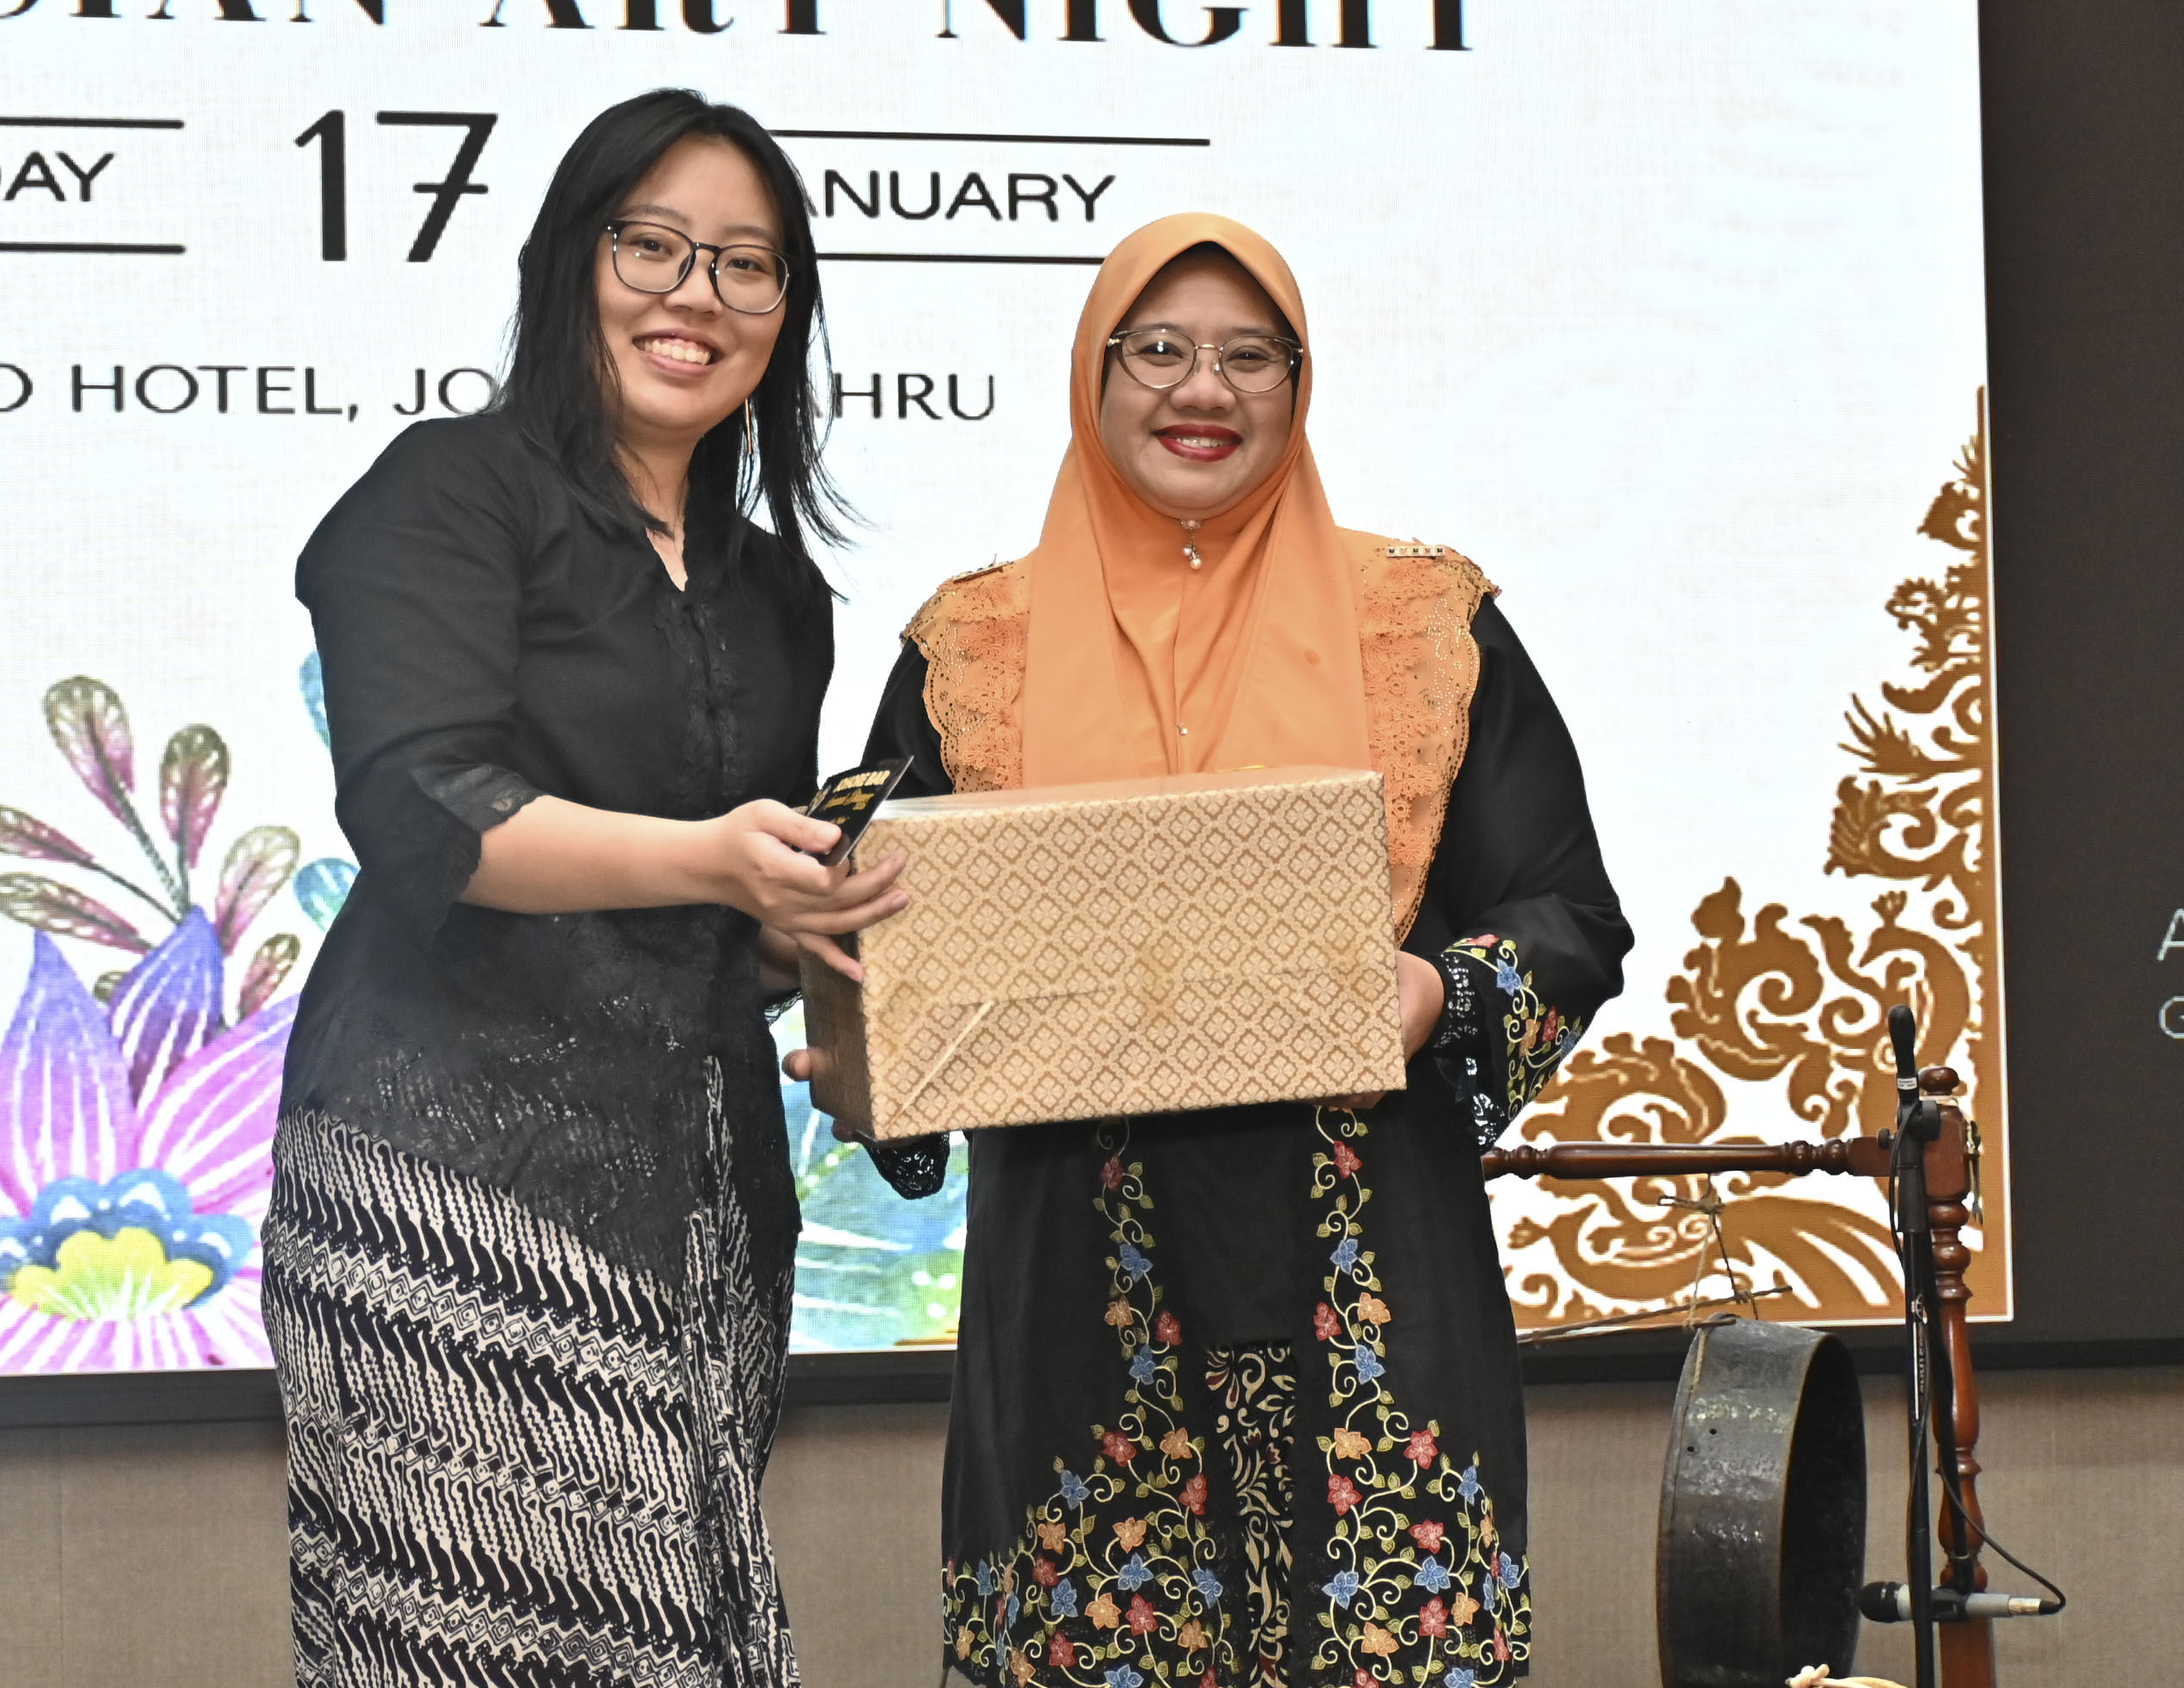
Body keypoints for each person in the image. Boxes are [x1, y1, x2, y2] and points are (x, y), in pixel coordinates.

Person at [826, 214, 1632, 1685]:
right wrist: (859, 1028)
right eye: (1159, 351)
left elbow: (1568, 914)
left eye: (1251, 356)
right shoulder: (974, 647)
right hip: (1082, 1289)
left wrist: (1433, 991)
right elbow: (883, 934)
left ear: (1298, 384)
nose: (1204, 389)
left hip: (1370, 1267)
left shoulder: (1426, 626)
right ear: (1095, 373)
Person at [262, 89, 903, 1688]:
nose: (697, 296)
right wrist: (709, 858)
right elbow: (427, 809)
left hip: (699, 1197)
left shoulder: (780, 589)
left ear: (786, 314)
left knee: (697, 1639)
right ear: (570, 263)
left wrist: (807, 937)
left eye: (746, 265)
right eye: (653, 246)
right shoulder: (449, 489)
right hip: (443, 1192)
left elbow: (730, 922)